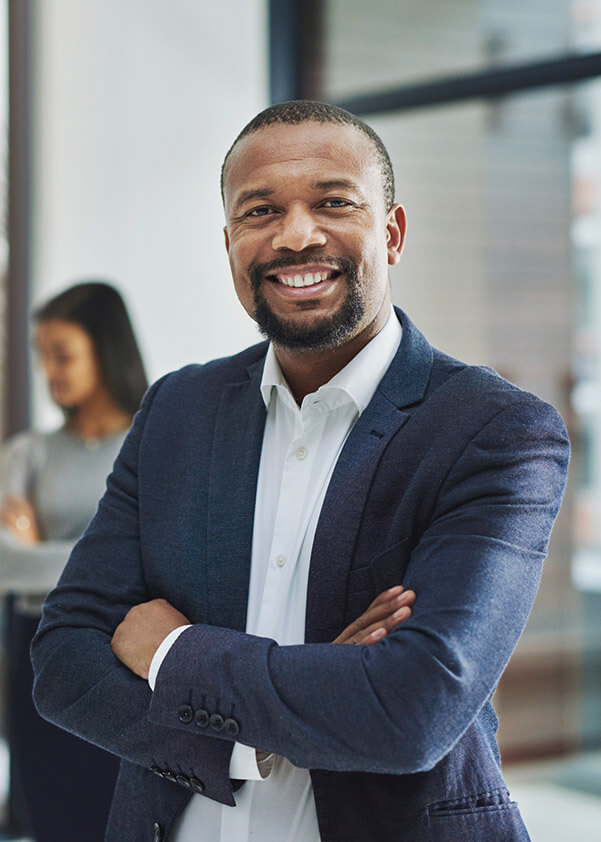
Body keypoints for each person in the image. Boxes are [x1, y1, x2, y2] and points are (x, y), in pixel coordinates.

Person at [31, 101, 569, 842]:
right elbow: (64, 661)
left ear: (391, 231)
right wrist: (263, 733)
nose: (295, 234)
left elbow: (411, 709)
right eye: (260, 211)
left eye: (332, 202)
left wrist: (170, 652)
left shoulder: (493, 429)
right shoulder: (176, 410)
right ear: (230, 245)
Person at [0, 281, 148, 841]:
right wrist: (108, 562)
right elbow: (3, 567)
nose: (48, 371)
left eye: (62, 354)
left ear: (105, 350)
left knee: (119, 813)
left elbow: (152, 558)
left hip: (124, 658)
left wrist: (39, 550)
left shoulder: (150, 441)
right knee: (49, 816)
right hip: (35, 652)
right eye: (42, 356)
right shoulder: (27, 453)